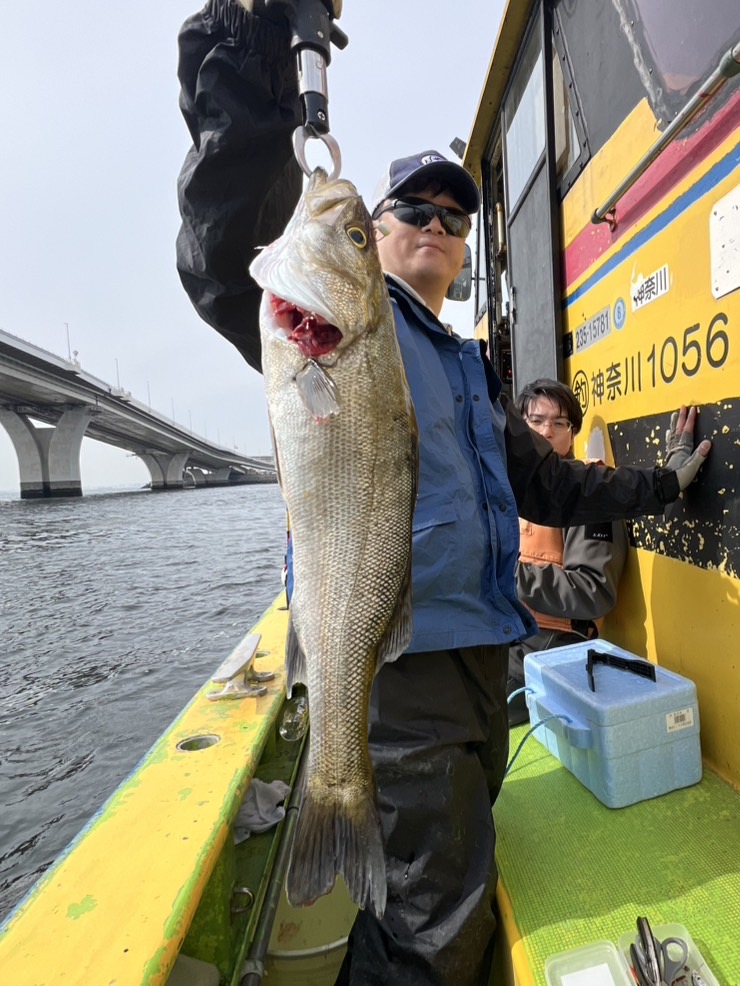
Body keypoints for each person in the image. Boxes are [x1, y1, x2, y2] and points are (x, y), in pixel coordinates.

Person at [175, 3, 711, 983]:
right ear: (376, 235)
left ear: (466, 250)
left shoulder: (467, 366)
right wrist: (245, 55)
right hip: (400, 667)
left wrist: (662, 483)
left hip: (480, 655)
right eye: (411, 212)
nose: (436, 226)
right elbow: (223, 245)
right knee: (440, 919)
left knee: (433, 883)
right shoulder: (326, 323)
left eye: (455, 219)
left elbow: (551, 480)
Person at [507, 379, 628, 726]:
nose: (547, 431)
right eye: (536, 421)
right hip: (507, 634)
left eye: (559, 423)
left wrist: (507, 576)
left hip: (551, 647)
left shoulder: (589, 493)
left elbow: (593, 592)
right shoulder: (508, 489)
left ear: (572, 434)